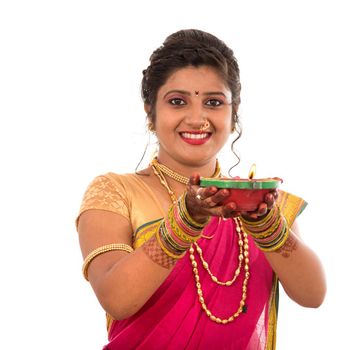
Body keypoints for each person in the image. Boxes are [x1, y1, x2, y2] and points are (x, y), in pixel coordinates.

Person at [76, 29, 326, 350]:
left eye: (214, 102)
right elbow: (117, 298)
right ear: (150, 112)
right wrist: (185, 220)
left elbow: (313, 294)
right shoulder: (115, 192)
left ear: (233, 114)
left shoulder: (256, 202)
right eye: (177, 101)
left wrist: (266, 227)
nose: (197, 118)